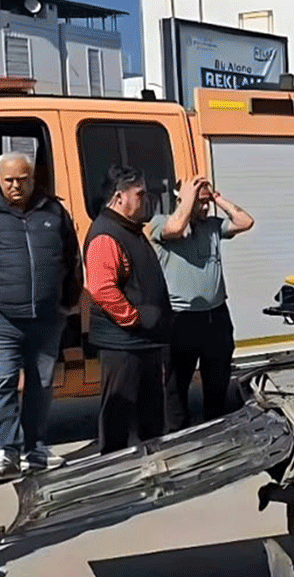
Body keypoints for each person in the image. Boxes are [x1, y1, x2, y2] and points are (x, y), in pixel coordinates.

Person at [0, 152, 82, 481]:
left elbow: (71, 256)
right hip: (0, 319)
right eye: (9, 180)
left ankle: (35, 449)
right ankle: (5, 452)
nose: (15, 186)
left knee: (41, 384)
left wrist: (68, 301)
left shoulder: (54, 210)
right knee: (3, 384)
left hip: (47, 317)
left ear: (32, 178)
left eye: (22, 179)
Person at [149, 175, 253, 433]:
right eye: (200, 203)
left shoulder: (212, 226)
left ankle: (216, 431)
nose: (205, 208)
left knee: (217, 383)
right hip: (181, 319)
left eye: (207, 203)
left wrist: (217, 198)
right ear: (181, 198)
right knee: (176, 387)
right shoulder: (161, 223)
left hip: (215, 317)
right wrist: (188, 199)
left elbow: (245, 222)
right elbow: (174, 228)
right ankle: (177, 437)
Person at [84, 165, 173, 454]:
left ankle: (151, 470)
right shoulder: (105, 234)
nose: (145, 199)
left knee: (150, 418)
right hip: (123, 344)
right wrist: (134, 319)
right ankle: (112, 474)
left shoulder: (129, 229)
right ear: (120, 197)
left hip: (142, 342)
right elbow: (102, 289)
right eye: (140, 194)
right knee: (118, 420)